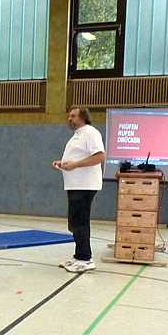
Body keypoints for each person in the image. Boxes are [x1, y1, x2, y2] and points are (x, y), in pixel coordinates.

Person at [52, 107, 105, 273]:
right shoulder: (77, 135)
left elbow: (100, 156)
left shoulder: (90, 133)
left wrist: (75, 164)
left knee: (80, 222)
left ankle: (85, 258)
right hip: (75, 184)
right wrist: (62, 163)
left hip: (85, 185)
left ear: (83, 117)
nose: (70, 119)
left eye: (73, 116)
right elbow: (76, 158)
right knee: (75, 222)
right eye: (69, 116)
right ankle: (79, 256)